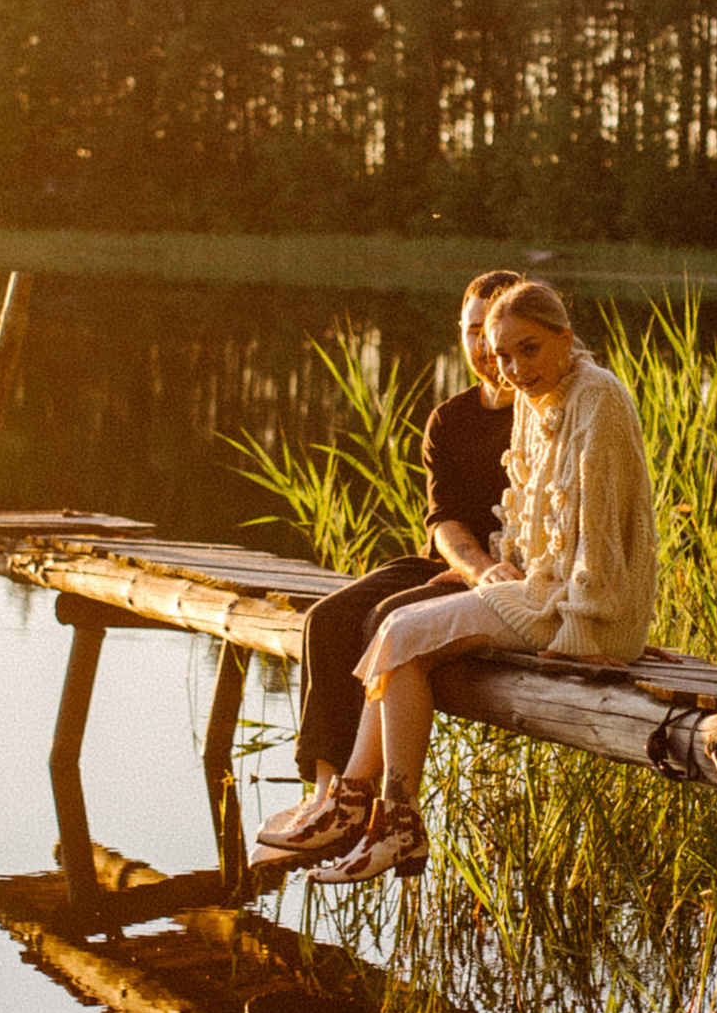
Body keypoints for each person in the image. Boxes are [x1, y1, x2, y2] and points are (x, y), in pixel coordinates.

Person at [308, 276, 658, 889]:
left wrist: (584, 632)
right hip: (539, 592)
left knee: (400, 634)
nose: (516, 368)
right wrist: (488, 572)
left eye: (530, 349)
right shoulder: (533, 400)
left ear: (564, 339)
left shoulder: (597, 398)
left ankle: (373, 813)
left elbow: (601, 530)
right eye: (502, 355)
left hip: (586, 611)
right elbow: (526, 518)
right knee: (396, 632)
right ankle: (388, 817)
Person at [252, 269, 522, 869]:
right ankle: (324, 797)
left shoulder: (537, 412)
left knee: (384, 620)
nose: (482, 349)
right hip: (452, 564)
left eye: (492, 334)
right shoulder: (449, 419)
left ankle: (358, 800)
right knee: (326, 618)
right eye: (471, 332)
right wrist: (473, 567)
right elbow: (443, 519)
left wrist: (488, 574)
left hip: (510, 576)